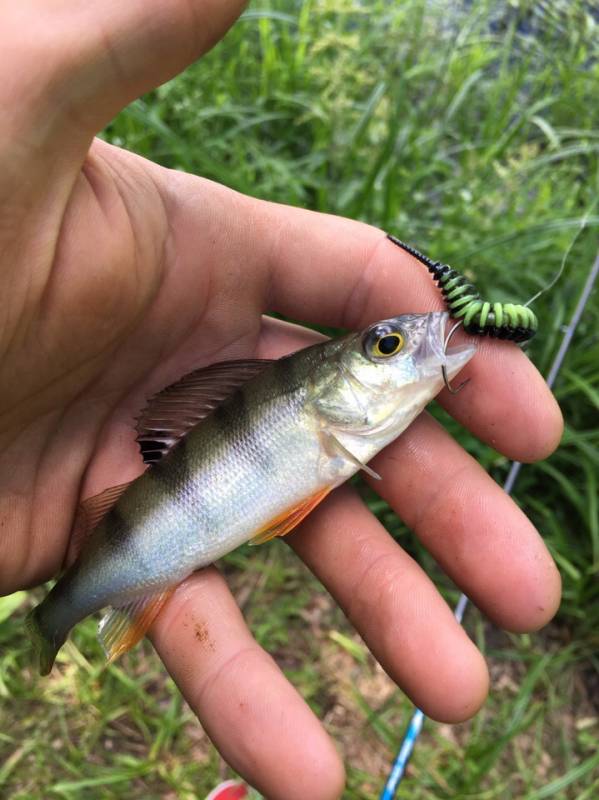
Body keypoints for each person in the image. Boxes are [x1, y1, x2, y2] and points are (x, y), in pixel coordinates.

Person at [0, 3, 562, 799]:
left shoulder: (336, 422)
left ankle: (54, 619)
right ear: (334, 381)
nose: (406, 347)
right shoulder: (320, 420)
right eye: (386, 346)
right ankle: (53, 620)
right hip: (155, 526)